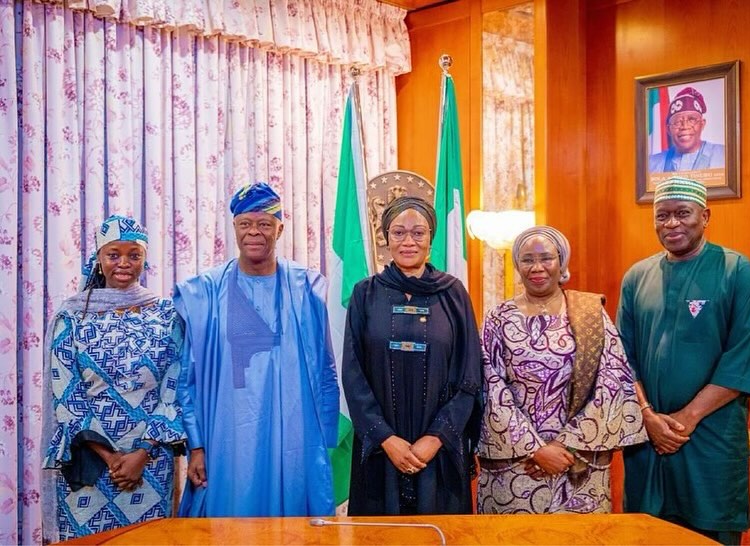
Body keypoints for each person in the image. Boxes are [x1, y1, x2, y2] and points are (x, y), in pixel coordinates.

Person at [175, 182, 339, 517]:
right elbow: (187, 377)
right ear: (234, 227)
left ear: (280, 228)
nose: (254, 232)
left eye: (264, 224)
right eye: (245, 224)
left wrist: (321, 444)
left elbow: (326, 370)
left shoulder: (306, 289)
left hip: (294, 440)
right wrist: (197, 445)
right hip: (226, 444)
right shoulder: (205, 293)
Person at [617, 176, 750, 544]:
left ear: (705, 216)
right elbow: (622, 358)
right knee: (645, 533)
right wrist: (648, 416)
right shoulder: (637, 277)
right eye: (662, 215)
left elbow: (744, 357)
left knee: (710, 534)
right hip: (648, 440)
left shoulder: (736, 270)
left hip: (711, 440)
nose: (672, 224)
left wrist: (687, 418)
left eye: (683, 213)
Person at [476, 225, 646, 515]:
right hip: (516, 468)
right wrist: (536, 449)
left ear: (561, 262)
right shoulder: (498, 318)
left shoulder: (591, 314)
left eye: (546, 258)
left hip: (579, 463)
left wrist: (565, 446)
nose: (537, 267)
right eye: (527, 259)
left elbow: (612, 382)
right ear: (517, 265)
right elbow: (490, 388)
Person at [42, 215, 186, 542]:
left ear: (145, 259)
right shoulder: (72, 316)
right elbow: (66, 394)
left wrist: (141, 454)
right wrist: (111, 458)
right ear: (98, 258)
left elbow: (175, 387)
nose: (123, 263)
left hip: (150, 463)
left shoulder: (166, 314)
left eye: (134, 255)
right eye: (113, 254)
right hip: (89, 461)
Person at [342, 196, 483, 515]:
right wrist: (386, 439)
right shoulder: (365, 294)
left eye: (418, 233)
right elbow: (353, 374)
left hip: (440, 450)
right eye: (398, 232)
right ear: (386, 238)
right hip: (380, 451)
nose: (408, 241)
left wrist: (436, 438)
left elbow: (470, 376)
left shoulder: (453, 294)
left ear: (431, 238)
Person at [649, 86, 725, 173]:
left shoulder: (725, 155)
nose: (685, 126)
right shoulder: (651, 164)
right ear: (668, 129)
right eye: (677, 122)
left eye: (692, 120)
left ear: (702, 124)